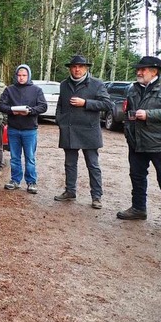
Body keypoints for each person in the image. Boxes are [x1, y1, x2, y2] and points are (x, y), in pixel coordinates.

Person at [54, 55, 112, 209]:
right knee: (70, 164)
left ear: (86, 68)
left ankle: (96, 196)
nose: (77, 69)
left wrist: (86, 103)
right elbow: (60, 104)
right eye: (74, 66)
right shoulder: (64, 84)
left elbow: (107, 104)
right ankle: (70, 191)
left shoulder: (96, 84)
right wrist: (60, 120)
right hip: (69, 130)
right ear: (70, 68)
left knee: (93, 165)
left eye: (80, 66)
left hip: (89, 131)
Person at [116, 56, 161, 220]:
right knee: (137, 176)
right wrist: (128, 132)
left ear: (154, 71)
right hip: (136, 142)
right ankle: (138, 209)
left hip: (157, 143)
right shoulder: (132, 89)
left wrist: (149, 115)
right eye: (138, 69)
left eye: (143, 69)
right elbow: (128, 112)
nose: (139, 72)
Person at [0, 64, 47, 193]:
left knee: (30, 157)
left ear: (29, 75)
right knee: (15, 157)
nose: (21, 78)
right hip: (13, 129)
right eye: (19, 75)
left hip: (30, 129)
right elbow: (0, 105)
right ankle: (15, 180)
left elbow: (43, 106)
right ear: (16, 76)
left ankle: (31, 182)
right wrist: (11, 110)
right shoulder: (9, 90)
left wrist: (30, 110)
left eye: (24, 75)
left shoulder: (36, 90)